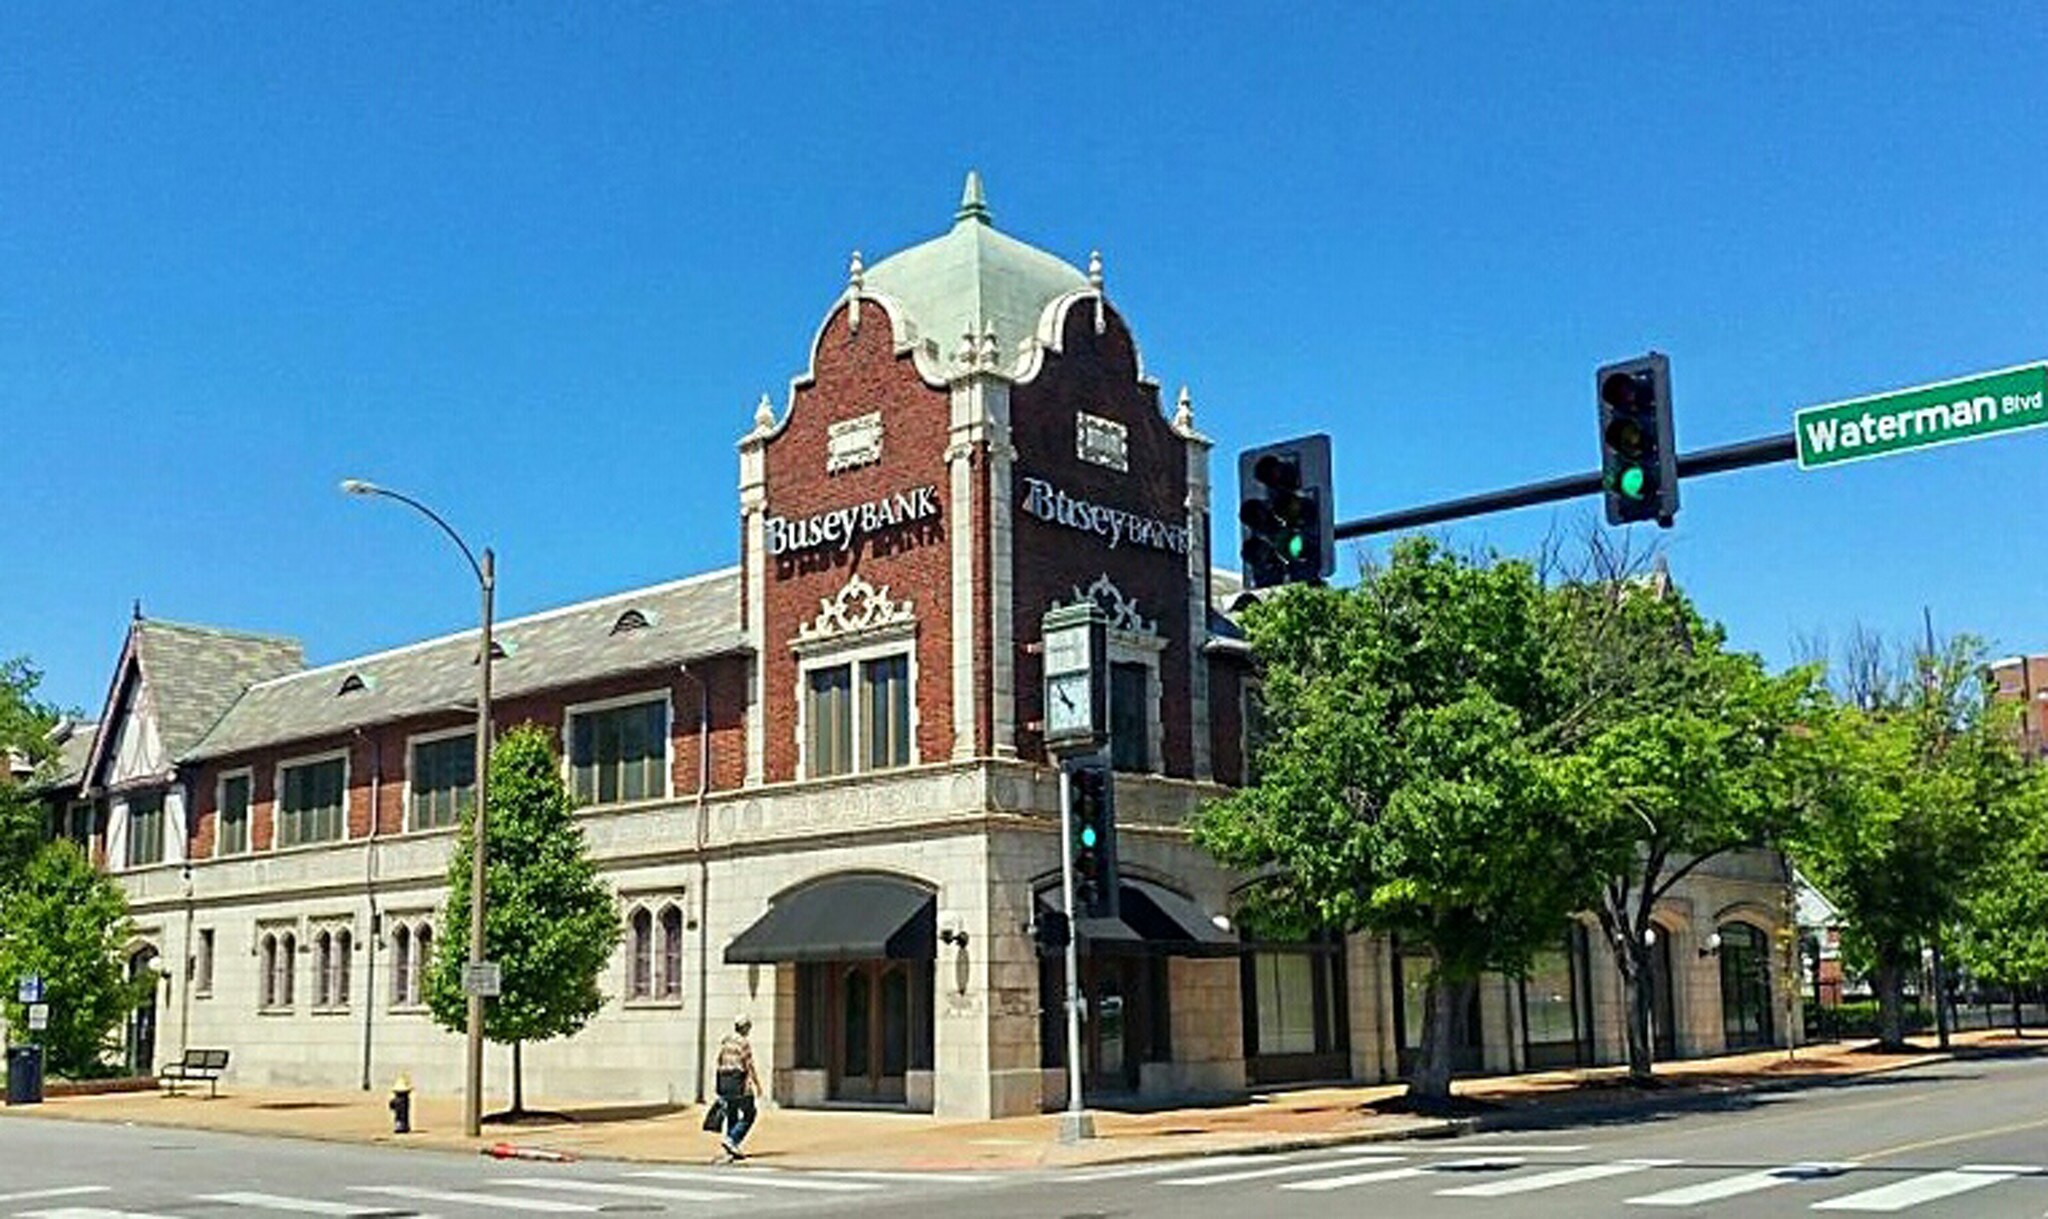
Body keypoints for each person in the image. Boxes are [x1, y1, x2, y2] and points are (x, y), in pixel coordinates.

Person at [713, 1015, 761, 1161]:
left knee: (732, 1114)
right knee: (750, 1113)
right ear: (745, 1028)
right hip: (738, 1081)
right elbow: (749, 1065)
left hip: (724, 1081)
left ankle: (731, 1148)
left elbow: (719, 1060)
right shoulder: (743, 1043)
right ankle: (732, 1139)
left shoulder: (726, 1041)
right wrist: (757, 1084)